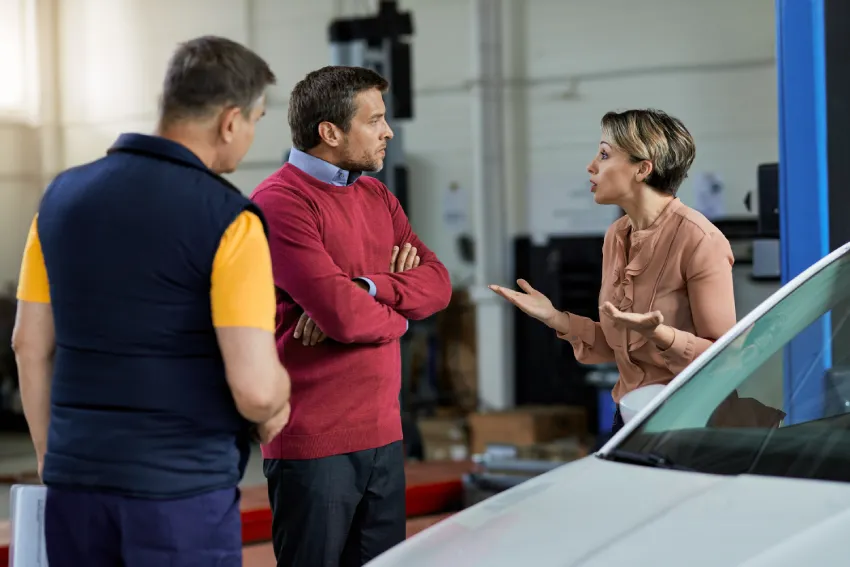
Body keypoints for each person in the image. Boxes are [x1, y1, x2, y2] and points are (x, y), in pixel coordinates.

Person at [12, 36, 290, 567]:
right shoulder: (230, 220)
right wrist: (277, 403)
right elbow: (254, 389)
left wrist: (56, 457)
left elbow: (28, 344)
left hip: (75, 488)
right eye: (255, 120)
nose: (250, 135)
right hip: (179, 499)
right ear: (230, 122)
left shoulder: (60, 199)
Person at [251, 65, 453, 567]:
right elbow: (342, 317)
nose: (388, 133)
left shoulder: (376, 194)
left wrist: (370, 287)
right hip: (312, 441)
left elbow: (439, 283)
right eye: (376, 120)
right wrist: (401, 318)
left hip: (384, 433)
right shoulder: (280, 202)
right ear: (330, 132)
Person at [490, 108, 736, 436]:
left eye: (604, 154)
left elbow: (725, 359)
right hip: (630, 414)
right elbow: (616, 343)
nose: (591, 166)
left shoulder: (700, 239)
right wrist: (554, 317)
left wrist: (661, 335)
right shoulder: (617, 235)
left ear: (642, 169)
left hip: (690, 422)